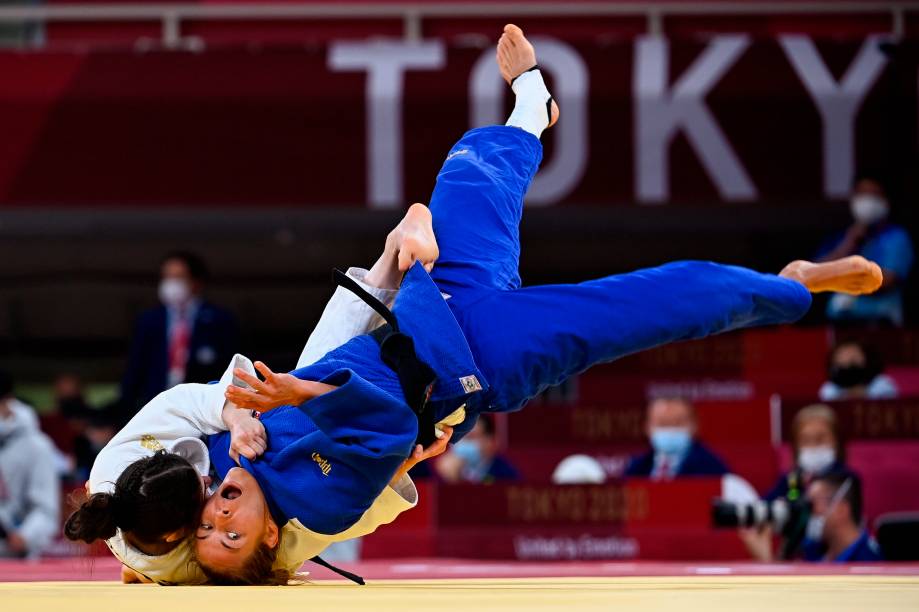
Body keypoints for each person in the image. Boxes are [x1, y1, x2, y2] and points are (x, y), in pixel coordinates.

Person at [195, 25, 884, 584]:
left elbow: (157, 458)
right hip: (482, 361)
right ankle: (790, 284)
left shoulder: (231, 453)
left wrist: (235, 412)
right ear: (268, 542)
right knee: (651, 303)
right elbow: (387, 430)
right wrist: (298, 390)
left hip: (429, 304)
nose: (220, 517)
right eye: (233, 537)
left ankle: (531, 103)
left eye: (208, 525)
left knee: (465, 176)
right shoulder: (317, 505)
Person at [67, 205, 443, 585]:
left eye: (205, 490)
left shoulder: (116, 462)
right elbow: (296, 535)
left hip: (225, 429)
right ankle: (410, 283)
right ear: (176, 536)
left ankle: (394, 263)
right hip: (250, 472)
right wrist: (393, 479)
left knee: (311, 375)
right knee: (318, 483)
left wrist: (235, 417)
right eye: (204, 499)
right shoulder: (181, 564)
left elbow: (178, 405)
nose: (212, 494)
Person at [119, 251, 239, 417]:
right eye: (167, 277)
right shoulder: (149, 320)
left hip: (203, 408)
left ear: (196, 281)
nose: (171, 283)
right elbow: (135, 369)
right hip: (156, 405)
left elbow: (230, 367)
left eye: (178, 277)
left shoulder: (220, 319)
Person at [741, 404, 855, 561]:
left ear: (837, 442)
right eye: (806, 440)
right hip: (798, 556)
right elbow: (767, 507)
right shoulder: (792, 479)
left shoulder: (847, 479)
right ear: (796, 447)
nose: (813, 446)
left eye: (821, 438)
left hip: (838, 558)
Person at [818, 174, 914, 326]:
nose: (867, 200)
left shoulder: (896, 237)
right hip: (839, 321)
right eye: (862, 193)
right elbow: (816, 273)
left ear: (886, 201)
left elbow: (887, 279)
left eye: (874, 194)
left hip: (881, 323)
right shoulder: (842, 236)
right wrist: (847, 245)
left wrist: (838, 277)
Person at [0, 371, 61, 559]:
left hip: (14, 558)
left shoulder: (36, 446)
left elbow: (46, 508)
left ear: (7, 401)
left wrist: (25, 536)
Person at [624, 398, 729, 479]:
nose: (671, 430)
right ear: (647, 427)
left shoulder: (712, 468)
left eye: (678, 423)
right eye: (663, 424)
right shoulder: (636, 468)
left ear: (695, 426)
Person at [802, 471, 883, 562]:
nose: (809, 513)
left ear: (841, 509)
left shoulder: (869, 561)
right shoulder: (814, 551)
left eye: (811, 504)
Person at [434, 415, 520, 484]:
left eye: (471, 437)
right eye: (458, 437)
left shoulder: (506, 476)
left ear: (490, 441)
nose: (461, 442)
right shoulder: (440, 471)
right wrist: (448, 479)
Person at [818, 340, 898, 401]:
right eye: (844, 354)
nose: (850, 358)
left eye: (855, 353)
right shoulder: (830, 388)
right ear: (834, 361)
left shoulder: (882, 382)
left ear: (866, 358)